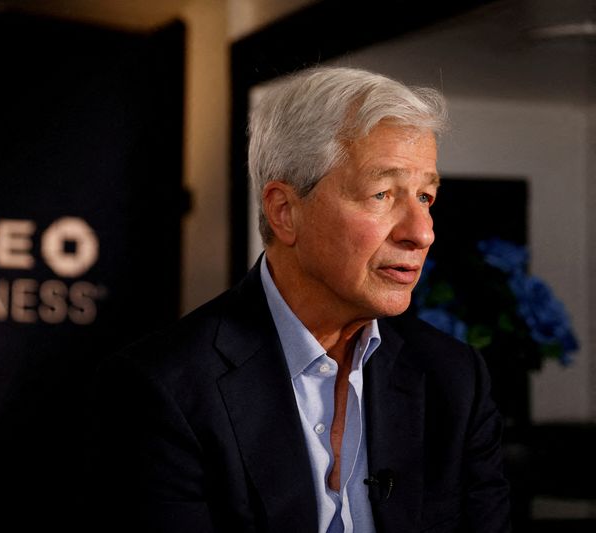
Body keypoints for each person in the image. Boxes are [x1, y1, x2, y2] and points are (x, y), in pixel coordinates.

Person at [86, 66, 510, 532]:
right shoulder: (164, 389)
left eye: (426, 196)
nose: (422, 232)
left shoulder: (456, 379)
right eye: (382, 194)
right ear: (284, 211)